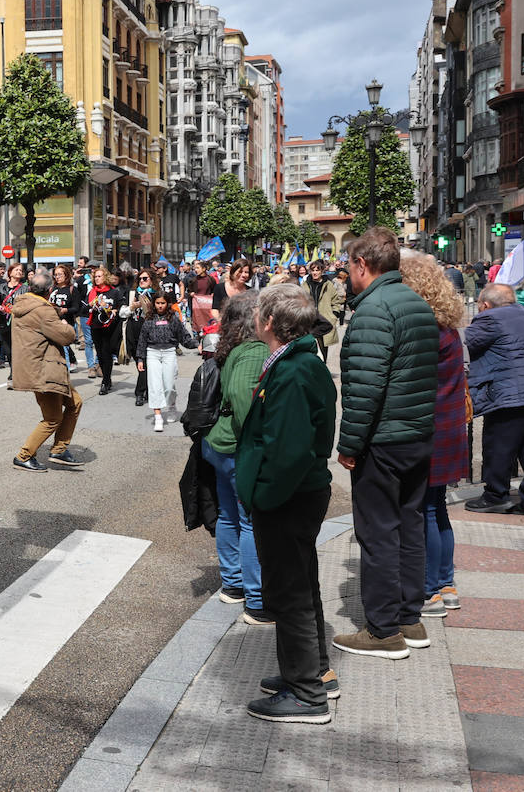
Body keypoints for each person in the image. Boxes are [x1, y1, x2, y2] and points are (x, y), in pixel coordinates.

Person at [332, 228, 439, 660]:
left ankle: (383, 631)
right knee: (409, 526)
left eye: (349, 267)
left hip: (385, 439)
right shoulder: (416, 302)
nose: (347, 275)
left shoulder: (375, 308)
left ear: (362, 265)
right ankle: (409, 618)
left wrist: (349, 445)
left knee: (378, 533)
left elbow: (365, 388)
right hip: (416, 434)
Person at [237, 285, 338, 724]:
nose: (254, 317)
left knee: (290, 592)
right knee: (299, 585)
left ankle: (307, 694)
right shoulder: (294, 362)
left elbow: (289, 451)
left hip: (289, 498)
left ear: (272, 324)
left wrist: (263, 496)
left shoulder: (295, 370)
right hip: (294, 496)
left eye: (259, 312)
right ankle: (309, 672)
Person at [397, 251, 467, 617]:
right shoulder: (448, 325)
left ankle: (431, 590)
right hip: (449, 426)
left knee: (424, 508)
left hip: (429, 426)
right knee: (436, 508)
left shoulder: (424, 327)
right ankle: (446, 583)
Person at [203, 291, 270, 625]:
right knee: (248, 521)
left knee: (230, 516)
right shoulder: (254, 350)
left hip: (222, 444)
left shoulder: (234, 348)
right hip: (235, 448)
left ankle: (233, 585)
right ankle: (255, 599)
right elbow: (245, 403)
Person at [462, 283, 524, 517]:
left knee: (499, 447)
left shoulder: (489, 319)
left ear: (485, 305)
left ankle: (495, 496)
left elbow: (463, 344)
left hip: (509, 395)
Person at [9, 273, 86, 472]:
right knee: (52, 418)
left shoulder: (22, 304)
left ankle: (59, 449)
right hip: (44, 369)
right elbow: (65, 337)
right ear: (48, 290)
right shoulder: (43, 310)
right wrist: (66, 326)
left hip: (43, 367)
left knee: (75, 403)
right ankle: (24, 455)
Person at [136, 292, 197, 433]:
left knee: (169, 386)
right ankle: (158, 417)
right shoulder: (149, 319)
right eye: (157, 303)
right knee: (154, 385)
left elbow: (184, 337)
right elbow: (142, 340)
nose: (160, 306)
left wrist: (196, 344)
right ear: (153, 304)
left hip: (169, 352)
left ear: (167, 303)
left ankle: (172, 405)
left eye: (163, 303)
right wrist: (141, 358)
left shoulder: (173, 319)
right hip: (153, 353)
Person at [86, 266, 126, 395]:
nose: (97, 279)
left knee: (107, 353)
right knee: (100, 354)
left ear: (105, 277)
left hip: (110, 327)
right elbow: (87, 306)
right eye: (95, 276)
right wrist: (92, 305)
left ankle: (106, 380)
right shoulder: (93, 292)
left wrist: (114, 310)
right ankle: (106, 379)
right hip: (96, 325)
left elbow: (121, 305)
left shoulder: (114, 292)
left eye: (99, 276)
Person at [301, 260, 344, 362]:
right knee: (309, 350)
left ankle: (321, 371)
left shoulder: (328, 284)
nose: (315, 272)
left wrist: (334, 315)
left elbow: (336, 301)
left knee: (323, 351)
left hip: (324, 321)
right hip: (308, 321)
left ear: (322, 271)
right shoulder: (305, 285)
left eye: (317, 270)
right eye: (313, 270)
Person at [126, 269, 157, 406]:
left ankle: (140, 392)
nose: (142, 281)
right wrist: (130, 307)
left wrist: (146, 305)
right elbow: (122, 311)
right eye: (140, 279)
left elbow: (160, 311)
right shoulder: (132, 293)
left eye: (146, 278)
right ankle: (147, 390)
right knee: (140, 364)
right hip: (134, 332)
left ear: (152, 280)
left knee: (145, 364)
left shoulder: (155, 294)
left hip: (150, 333)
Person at [47, 265, 83, 372]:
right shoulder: (52, 289)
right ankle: (68, 361)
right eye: (56, 275)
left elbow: (76, 308)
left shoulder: (72, 289)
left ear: (66, 275)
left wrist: (65, 310)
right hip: (53, 321)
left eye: (60, 274)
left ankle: (65, 369)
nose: (57, 277)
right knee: (57, 345)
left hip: (66, 321)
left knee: (64, 345)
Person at [211, 258, 253, 323]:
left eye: (246, 272)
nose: (243, 275)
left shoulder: (250, 291)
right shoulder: (220, 287)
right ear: (233, 271)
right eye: (240, 272)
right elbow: (215, 309)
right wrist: (220, 321)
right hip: (224, 327)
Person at [189, 260, 217, 330]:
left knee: (208, 324)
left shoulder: (211, 280)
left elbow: (214, 290)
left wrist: (213, 294)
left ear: (204, 269)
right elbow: (189, 291)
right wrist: (191, 294)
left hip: (207, 306)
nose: (196, 270)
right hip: (197, 307)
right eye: (195, 268)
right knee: (197, 324)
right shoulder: (193, 280)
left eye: (198, 268)